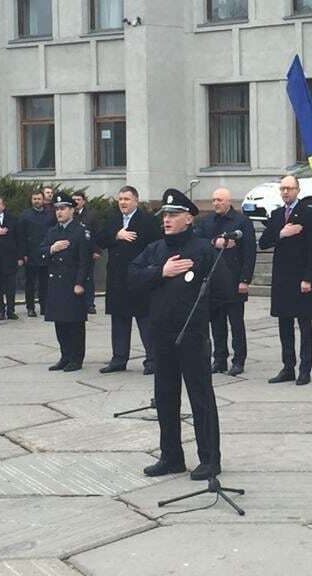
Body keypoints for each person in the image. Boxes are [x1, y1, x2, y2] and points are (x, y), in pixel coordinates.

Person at [129, 188, 230, 480]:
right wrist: (162, 272)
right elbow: (132, 278)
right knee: (165, 397)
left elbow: (222, 291)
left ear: (188, 219)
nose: (167, 220)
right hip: (161, 335)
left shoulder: (203, 249)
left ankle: (210, 459)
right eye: (165, 215)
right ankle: (171, 456)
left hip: (193, 336)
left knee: (201, 398)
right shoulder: (156, 250)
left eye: (174, 215)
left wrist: (199, 319)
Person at [258, 175, 312, 385]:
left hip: (301, 278)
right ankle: (288, 366)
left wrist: (309, 278)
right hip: (282, 279)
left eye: (290, 188)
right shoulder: (277, 214)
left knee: (304, 324)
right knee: (284, 324)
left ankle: (305, 369)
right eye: (283, 189)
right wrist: (282, 233)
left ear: (298, 190)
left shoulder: (308, 214)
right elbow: (264, 242)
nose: (286, 192)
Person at [97, 186, 161, 374]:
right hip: (117, 278)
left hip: (139, 279)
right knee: (119, 320)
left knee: (145, 320)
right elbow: (99, 238)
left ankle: (152, 360)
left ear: (136, 201)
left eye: (126, 199)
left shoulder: (147, 220)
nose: (122, 202)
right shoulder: (113, 219)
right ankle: (119, 359)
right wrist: (116, 235)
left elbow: (156, 245)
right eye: (120, 199)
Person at [195, 187, 256, 376]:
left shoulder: (242, 222)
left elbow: (249, 252)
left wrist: (245, 280)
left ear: (229, 201)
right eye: (213, 200)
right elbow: (198, 242)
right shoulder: (207, 222)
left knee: (236, 324)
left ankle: (239, 360)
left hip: (234, 280)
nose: (216, 203)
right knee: (217, 324)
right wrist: (215, 242)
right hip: (213, 282)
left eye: (220, 200)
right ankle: (219, 359)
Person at [41, 191, 90, 372]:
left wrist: (80, 283)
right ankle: (65, 356)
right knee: (60, 323)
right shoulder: (53, 231)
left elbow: (84, 261)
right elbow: (41, 253)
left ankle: (76, 358)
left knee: (74, 323)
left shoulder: (80, 231)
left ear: (72, 210)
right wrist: (52, 249)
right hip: (56, 283)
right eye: (57, 209)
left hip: (71, 283)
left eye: (63, 209)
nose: (59, 212)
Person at [0, 195, 22, 320]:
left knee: (11, 287)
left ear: (3, 206)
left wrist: (20, 257)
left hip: (10, 258)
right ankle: (1, 310)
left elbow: (18, 238)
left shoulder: (12, 219)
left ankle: (11, 310)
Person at [20, 190, 55, 317]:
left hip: (46, 252)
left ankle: (44, 307)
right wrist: (23, 253)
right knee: (30, 283)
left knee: (45, 283)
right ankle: (30, 307)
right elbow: (21, 235)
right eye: (34, 199)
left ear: (43, 200)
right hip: (31, 254)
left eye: (39, 199)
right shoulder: (25, 215)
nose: (37, 201)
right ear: (31, 200)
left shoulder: (50, 215)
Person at [73, 192, 100, 315]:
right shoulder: (71, 214)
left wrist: (97, 250)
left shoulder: (91, 215)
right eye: (74, 200)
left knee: (88, 278)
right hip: (73, 252)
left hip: (88, 252)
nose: (76, 202)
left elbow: (96, 234)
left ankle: (90, 304)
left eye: (78, 199)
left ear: (84, 201)